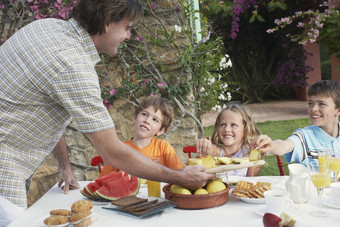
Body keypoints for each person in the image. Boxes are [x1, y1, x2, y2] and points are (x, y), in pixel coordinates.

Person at [0, 0, 214, 225]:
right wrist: (180, 177)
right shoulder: (74, 65)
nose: (129, 35)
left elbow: (51, 110)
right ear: (108, 22)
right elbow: (112, 152)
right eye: (127, 27)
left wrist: (64, 165)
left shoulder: (45, 27)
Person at [253, 80, 340, 166]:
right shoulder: (304, 137)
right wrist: (272, 145)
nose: (314, 109)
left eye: (321, 104)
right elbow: (284, 145)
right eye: (310, 103)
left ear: (338, 110)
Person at [98, 95, 184, 177]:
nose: (147, 121)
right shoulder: (119, 151)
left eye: (155, 120)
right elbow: (102, 181)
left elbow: (181, 174)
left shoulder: (164, 148)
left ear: (161, 130)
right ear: (135, 117)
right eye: (144, 114)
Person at [196, 103, 261, 176]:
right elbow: (212, 151)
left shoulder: (249, 152)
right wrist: (206, 148)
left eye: (233, 125)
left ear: (246, 130)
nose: (227, 129)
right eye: (223, 124)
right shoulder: (217, 149)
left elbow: (251, 180)